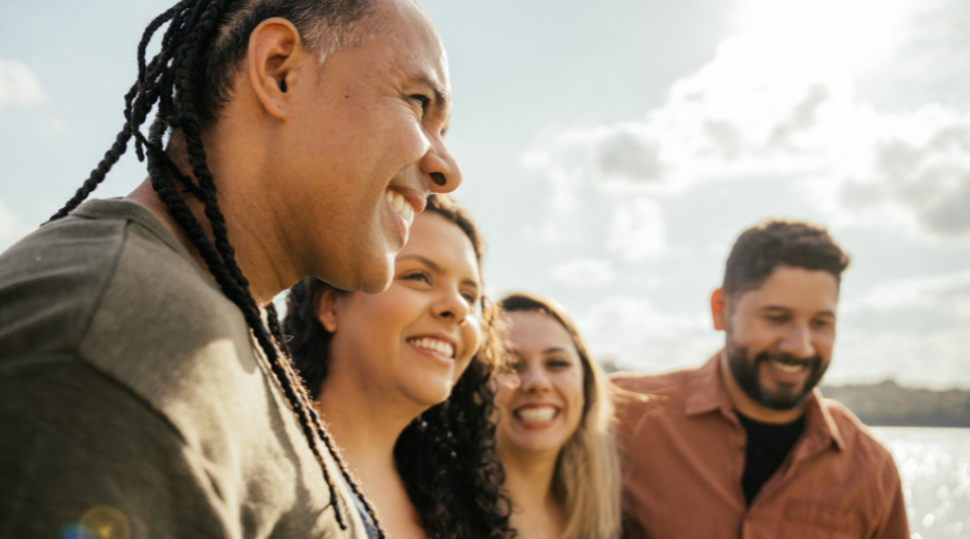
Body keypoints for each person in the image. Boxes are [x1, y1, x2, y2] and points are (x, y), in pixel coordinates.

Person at [0, 0, 460, 538]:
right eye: (417, 102)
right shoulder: (101, 345)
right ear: (281, 71)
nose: (447, 170)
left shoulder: (212, 326)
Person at [611, 220, 909, 538]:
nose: (800, 346)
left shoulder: (870, 470)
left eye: (821, 323)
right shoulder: (619, 416)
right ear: (721, 311)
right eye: (776, 318)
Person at [282, 194, 513, 539]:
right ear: (330, 306)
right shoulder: (261, 464)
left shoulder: (458, 500)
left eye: (469, 295)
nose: (458, 308)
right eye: (419, 276)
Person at [492, 293, 622, 539]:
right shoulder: (437, 512)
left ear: (586, 384)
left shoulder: (608, 516)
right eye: (509, 365)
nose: (538, 382)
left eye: (557, 363)